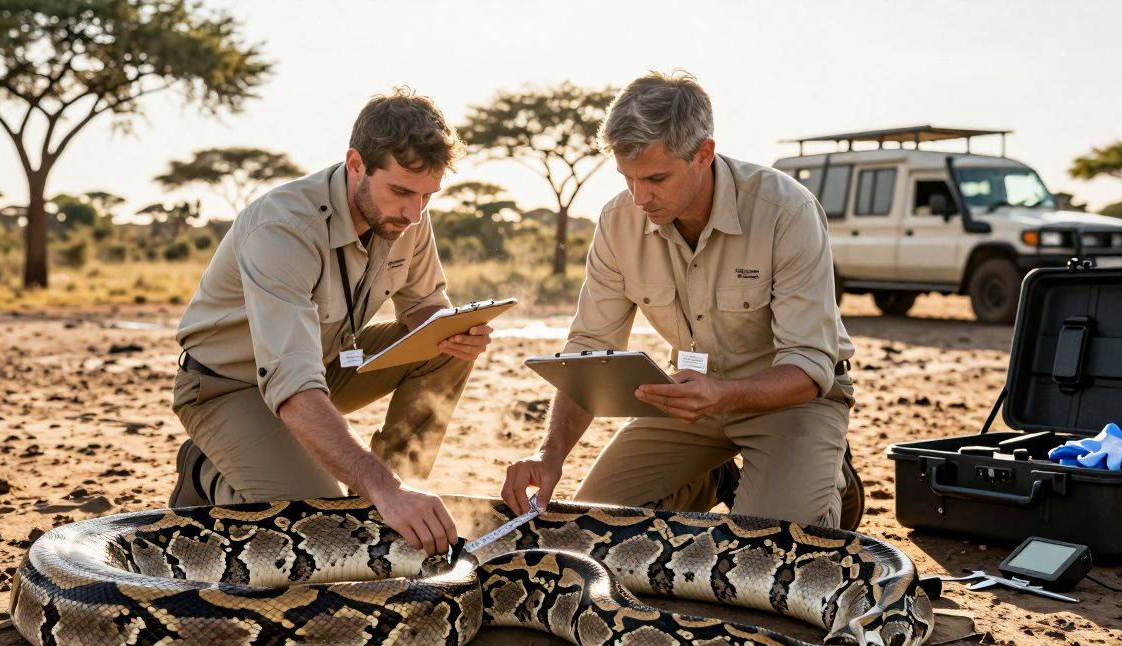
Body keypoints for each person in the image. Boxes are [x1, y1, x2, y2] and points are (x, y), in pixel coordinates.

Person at [501, 71, 863, 529]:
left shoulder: (786, 211)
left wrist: (723, 396)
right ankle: (710, 477)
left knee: (772, 542)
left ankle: (831, 476)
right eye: (627, 178)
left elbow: (811, 365)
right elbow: (589, 351)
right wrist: (548, 455)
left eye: (655, 178)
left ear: (703, 154)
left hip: (791, 402)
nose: (639, 197)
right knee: (592, 526)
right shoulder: (618, 221)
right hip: (687, 401)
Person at [171, 88, 494, 556]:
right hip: (228, 388)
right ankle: (207, 470)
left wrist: (455, 329)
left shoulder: (409, 217)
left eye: (427, 196)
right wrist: (382, 487)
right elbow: (294, 384)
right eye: (401, 191)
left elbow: (425, 307)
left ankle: (387, 506)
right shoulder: (283, 229)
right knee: (319, 526)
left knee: (443, 344)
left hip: (327, 365)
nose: (414, 212)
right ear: (355, 164)